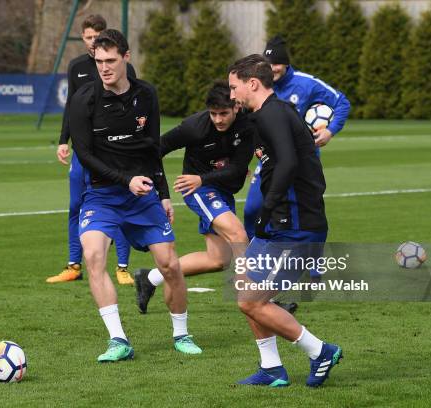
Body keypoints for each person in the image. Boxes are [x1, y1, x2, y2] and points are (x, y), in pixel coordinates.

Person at [70, 29, 202, 361]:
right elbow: (85, 155)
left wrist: (163, 193)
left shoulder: (147, 95)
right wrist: (124, 179)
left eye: (110, 60)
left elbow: (151, 149)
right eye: (98, 61)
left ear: (126, 58)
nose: (104, 67)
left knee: (169, 264)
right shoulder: (83, 99)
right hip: (102, 195)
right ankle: (118, 341)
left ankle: (181, 333)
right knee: (94, 256)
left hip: (142, 195)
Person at [228, 54, 342, 387]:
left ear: (252, 83)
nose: (232, 95)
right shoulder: (271, 114)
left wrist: (269, 207)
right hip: (281, 224)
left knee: (251, 301)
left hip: (295, 226)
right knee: (245, 290)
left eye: (234, 87)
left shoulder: (273, 115)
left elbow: (289, 162)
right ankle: (272, 368)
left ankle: (321, 351)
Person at [134, 81, 254, 314]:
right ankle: (256, 298)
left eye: (224, 114)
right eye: (213, 114)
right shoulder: (195, 127)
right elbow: (156, 149)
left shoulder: (247, 125)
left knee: (218, 260)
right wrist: (163, 191)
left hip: (220, 189)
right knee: (239, 234)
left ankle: (151, 277)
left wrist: (207, 177)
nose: (218, 119)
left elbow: (239, 167)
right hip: (197, 189)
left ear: (236, 108)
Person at [47, 14, 135, 285]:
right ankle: (74, 264)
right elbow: (72, 108)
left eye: (96, 37)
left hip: (114, 150)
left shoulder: (123, 68)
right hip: (83, 151)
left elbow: (133, 107)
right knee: (75, 205)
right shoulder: (76, 67)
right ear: (83, 38)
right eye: (87, 37)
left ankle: (122, 267)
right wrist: (64, 140)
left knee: (118, 203)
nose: (92, 42)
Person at [243, 35, 351, 240]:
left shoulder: (307, 84)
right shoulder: (258, 86)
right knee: (252, 210)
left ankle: (314, 268)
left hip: (303, 161)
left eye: (276, 64)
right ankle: (252, 259)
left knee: (308, 214)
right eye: (268, 64)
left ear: (286, 63)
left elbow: (341, 102)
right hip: (269, 159)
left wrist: (330, 131)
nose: (272, 68)